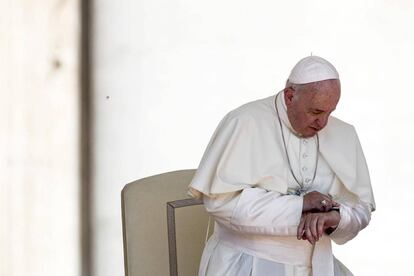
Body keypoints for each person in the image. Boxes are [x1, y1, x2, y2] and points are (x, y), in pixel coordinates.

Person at [188, 56, 376, 276]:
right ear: (289, 96)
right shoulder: (245, 121)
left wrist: (337, 218)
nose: (323, 123)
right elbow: (220, 202)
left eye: (329, 112)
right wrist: (300, 205)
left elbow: (361, 208)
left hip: (318, 266)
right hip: (247, 263)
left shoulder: (343, 133)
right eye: (315, 112)